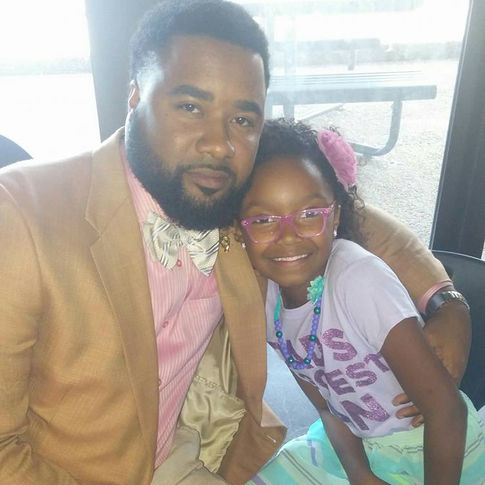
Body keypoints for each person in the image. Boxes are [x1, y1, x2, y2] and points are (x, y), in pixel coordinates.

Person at [0, 1, 470, 484]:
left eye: (243, 119)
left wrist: (449, 304)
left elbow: (354, 219)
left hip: (177, 458)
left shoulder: (231, 203)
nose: (218, 144)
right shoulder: (21, 215)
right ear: (135, 92)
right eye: (191, 107)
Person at [239, 119, 484, 484]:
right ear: (238, 227)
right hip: (353, 447)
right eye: (263, 220)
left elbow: (446, 411)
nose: (287, 236)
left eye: (310, 215)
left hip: (432, 448)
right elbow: (329, 409)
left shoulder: (358, 280)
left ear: (335, 215)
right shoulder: (267, 306)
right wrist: (359, 474)